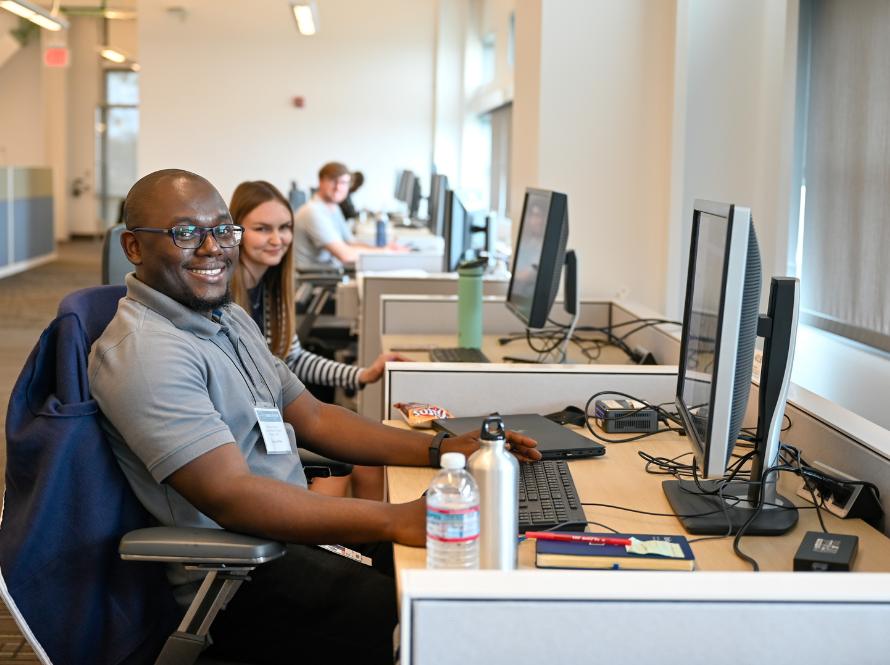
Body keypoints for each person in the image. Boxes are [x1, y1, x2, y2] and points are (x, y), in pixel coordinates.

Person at [88, 169, 540, 664]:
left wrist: (439, 448)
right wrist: (393, 520)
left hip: (288, 533)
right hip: (236, 578)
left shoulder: (225, 316)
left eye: (221, 229)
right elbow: (231, 497)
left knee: (456, 571)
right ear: (133, 246)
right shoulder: (147, 353)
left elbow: (316, 417)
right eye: (186, 233)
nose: (212, 247)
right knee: (417, 610)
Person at [229, 179, 406, 499]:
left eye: (284, 228)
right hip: (247, 434)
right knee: (352, 467)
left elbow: (292, 358)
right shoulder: (224, 295)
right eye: (262, 229)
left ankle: (363, 546)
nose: (277, 239)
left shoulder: (270, 288)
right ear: (236, 233)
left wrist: (361, 374)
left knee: (373, 460)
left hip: (277, 417)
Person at [293, 161, 405, 270]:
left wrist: (383, 249)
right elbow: (345, 255)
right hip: (314, 280)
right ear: (321, 181)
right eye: (333, 181)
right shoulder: (313, 212)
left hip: (328, 272)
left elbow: (350, 242)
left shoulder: (333, 208)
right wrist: (386, 253)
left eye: (343, 182)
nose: (338, 187)